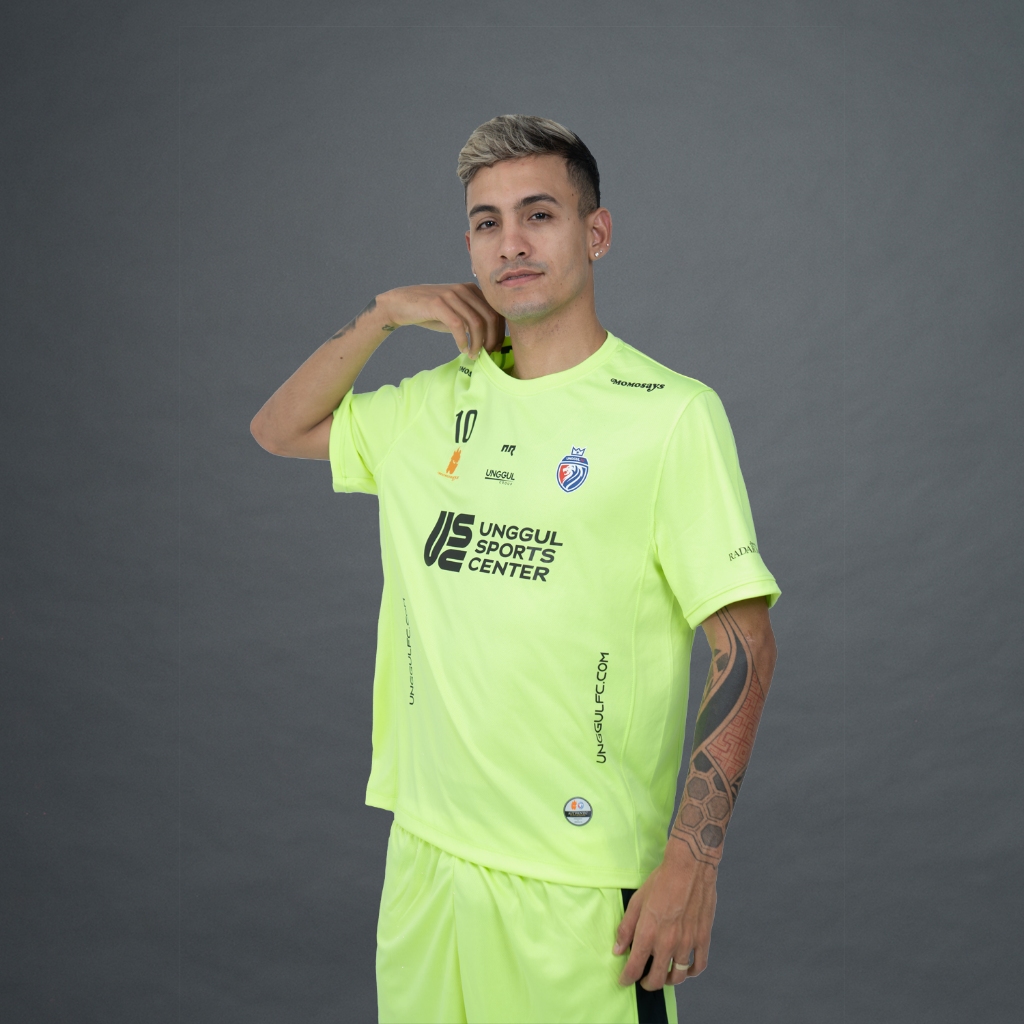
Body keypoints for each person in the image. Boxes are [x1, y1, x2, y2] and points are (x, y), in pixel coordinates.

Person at [251, 115, 780, 1024]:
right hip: (426, 860)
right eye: (487, 222)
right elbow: (278, 428)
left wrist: (693, 860)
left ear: (595, 233)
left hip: (577, 887)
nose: (512, 243)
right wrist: (385, 315)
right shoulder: (429, 406)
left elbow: (746, 647)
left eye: (539, 214)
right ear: (468, 248)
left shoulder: (670, 416)